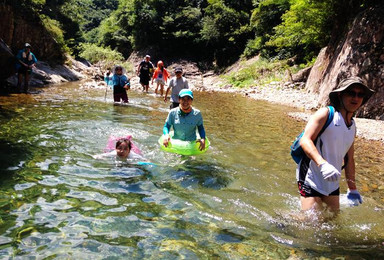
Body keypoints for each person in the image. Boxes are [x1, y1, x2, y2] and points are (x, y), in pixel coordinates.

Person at [297, 76, 374, 214]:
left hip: (332, 181)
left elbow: (350, 158)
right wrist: (323, 164)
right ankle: (281, 224)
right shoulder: (326, 114)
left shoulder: (352, 125)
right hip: (311, 176)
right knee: (310, 224)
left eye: (360, 94)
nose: (355, 98)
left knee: (333, 222)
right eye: (351, 93)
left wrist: (352, 188)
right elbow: (305, 140)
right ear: (340, 94)